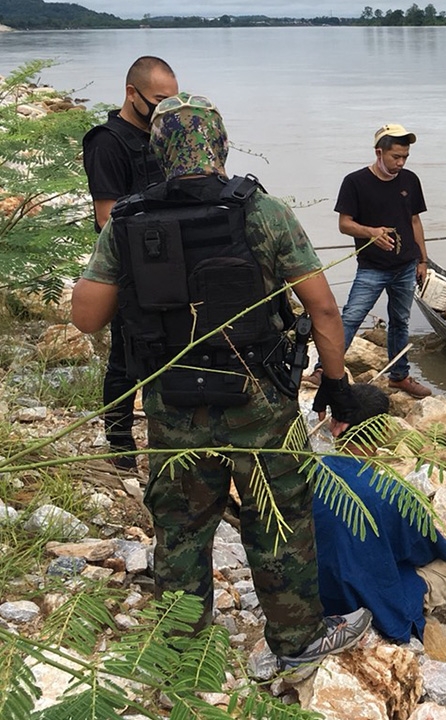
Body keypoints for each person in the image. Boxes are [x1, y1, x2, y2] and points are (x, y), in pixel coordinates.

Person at [70, 93, 371, 676]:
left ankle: (178, 653)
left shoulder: (127, 220)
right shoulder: (264, 212)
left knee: (180, 526)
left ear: (159, 153)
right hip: (258, 402)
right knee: (279, 518)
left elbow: (86, 318)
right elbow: (323, 309)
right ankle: (296, 641)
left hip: (173, 403)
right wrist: (336, 385)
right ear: (222, 145)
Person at [313, 383, 446, 643]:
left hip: (316, 594)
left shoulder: (310, 472)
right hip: (368, 606)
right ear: (382, 430)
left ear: (334, 424)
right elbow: (432, 552)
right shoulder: (391, 493)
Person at [81, 56, 179, 469]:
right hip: (129, 266)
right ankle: (120, 444)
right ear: (131, 93)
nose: (164, 111)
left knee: (173, 350)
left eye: (171, 102)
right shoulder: (107, 142)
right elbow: (107, 216)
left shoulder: (164, 135)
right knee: (125, 356)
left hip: (170, 260)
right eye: (158, 101)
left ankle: (173, 437)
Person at [309, 123, 433, 399]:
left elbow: (415, 221)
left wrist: (423, 261)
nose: (401, 163)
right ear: (379, 152)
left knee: (400, 321)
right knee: (351, 317)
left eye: (405, 157)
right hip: (372, 268)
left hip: (405, 266)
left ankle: (399, 376)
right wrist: (371, 233)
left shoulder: (410, 180)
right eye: (395, 157)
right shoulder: (355, 182)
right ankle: (323, 370)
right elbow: (344, 224)